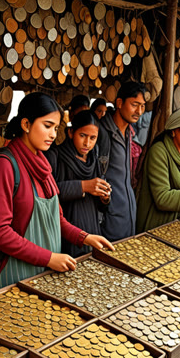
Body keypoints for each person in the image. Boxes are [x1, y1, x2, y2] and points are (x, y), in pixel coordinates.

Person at [0, 93, 113, 291]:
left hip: (43, 273)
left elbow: (55, 219)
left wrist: (84, 237)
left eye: (56, 128)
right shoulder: (4, 166)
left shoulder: (43, 164)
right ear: (26, 124)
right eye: (47, 126)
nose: (53, 134)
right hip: (14, 275)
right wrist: (49, 258)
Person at [46, 110, 111, 257]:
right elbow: (48, 194)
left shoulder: (95, 159)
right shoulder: (55, 156)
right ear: (70, 133)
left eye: (93, 138)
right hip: (65, 234)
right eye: (82, 136)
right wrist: (84, 186)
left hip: (92, 229)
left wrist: (104, 198)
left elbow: (102, 206)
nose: (87, 143)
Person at [98, 81, 146, 241]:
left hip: (128, 216)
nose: (139, 111)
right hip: (109, 220)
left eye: (142, 106)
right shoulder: (103, 133)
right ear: (119, 103)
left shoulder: (128, 134)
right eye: (134, 104)